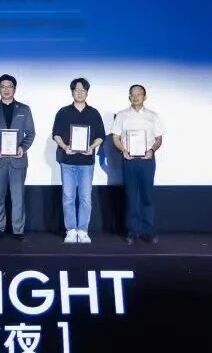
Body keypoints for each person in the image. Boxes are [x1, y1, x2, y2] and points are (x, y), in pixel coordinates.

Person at [0, 74, 35, 241]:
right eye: (3, 86)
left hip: (18, 160)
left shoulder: (24, 109)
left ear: (14, 89)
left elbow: (31, 133)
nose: (6, 89)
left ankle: (18, 230)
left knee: (18, 197)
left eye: (9, 86)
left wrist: (22, 148)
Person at [52, 78, 106, 244]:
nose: (80, 93)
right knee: (68, 197)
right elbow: (56, 134)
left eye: (83, 90)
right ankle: (70, 230)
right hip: (67, 161)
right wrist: (64, 146)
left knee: (85, 198)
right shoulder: (63, 112)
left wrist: (92, 147)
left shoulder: (94, 113)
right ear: (72, 92)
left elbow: (101, 136)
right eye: (77, 90)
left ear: (87, 92)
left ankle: (82, 230)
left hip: (86, 162)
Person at [112, 84, 165, 245]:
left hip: (147, 160)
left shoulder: (153, 116)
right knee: (131, 196)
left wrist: (152, 150)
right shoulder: (121, 115)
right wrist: (123, 150)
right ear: (129, 97)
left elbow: (159, 139)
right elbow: (115, 137)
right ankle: (132, 232)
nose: (135, 97)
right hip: (129, 160)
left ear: (144, 97)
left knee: (147, 196)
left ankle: (148, 231)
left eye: (139, 94)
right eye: (132, 94)